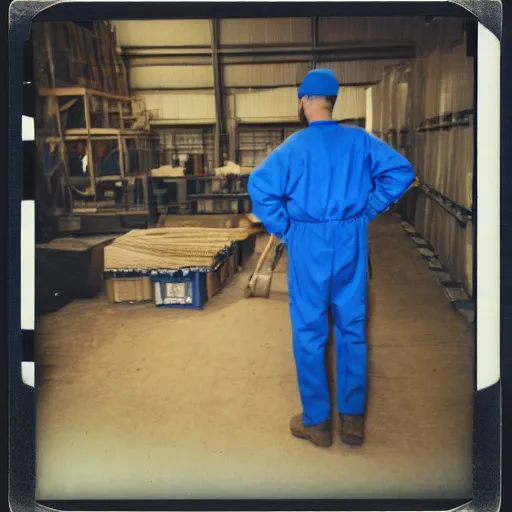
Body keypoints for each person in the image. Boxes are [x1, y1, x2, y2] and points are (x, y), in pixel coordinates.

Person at [247, 68, 415, 448]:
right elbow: (401, 172)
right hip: (350, 236)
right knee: (352, 326)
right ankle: (352, 421)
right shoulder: (359, 141)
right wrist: (367, 209)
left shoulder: (294, 147)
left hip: (308, 238)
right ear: (332, 102)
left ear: (306, 101)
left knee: (309, 330)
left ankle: (318, 423)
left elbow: (259, 186)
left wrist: (286, 227)